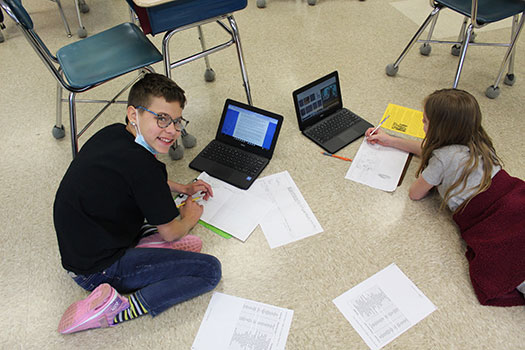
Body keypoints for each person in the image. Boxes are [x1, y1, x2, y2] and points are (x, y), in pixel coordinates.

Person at [53, 73, 221, 334]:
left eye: (177, 122)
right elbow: (170, 230)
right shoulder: (145, 168)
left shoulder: (114, 134)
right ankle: (121, 309)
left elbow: (141, 182)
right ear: (134, 114)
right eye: (161, 118)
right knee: (210, 270)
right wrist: (189, 218)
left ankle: (144, 245)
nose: (172, 131)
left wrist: (183, 188)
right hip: (98, 270)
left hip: (85, 246)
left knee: (160, 219)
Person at [366, 88, 525, 306]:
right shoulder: (479, 140)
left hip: (491, 216)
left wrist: (428, 172)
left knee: (509, 258)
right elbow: (431, 150)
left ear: (441, 129)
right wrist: (391, 140)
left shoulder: (441, 158)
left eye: (424, 122)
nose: (422, 126)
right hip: (514, 197)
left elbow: (415, 193)